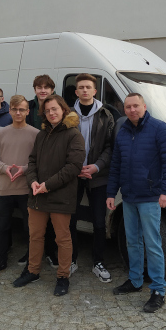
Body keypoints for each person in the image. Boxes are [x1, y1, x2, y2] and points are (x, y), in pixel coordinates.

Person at [106, 93, 166, 313]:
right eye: (128, 107)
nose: (132, 110)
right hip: (129, 197)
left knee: (153, 244)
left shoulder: (159, 128)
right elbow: (116, 165)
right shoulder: (123, 131)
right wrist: (111, 193)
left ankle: (158, 290)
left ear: (144, 106)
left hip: (150, 197)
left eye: (136, 106)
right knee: (132, 242)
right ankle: (135, 280)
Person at [15, 94, 85, 296]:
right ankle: (33, 271)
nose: (51, 113)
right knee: (35, 236)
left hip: (61, 196)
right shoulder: (41, 135)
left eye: (54, 109)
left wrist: (48, 185)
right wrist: (33, 181)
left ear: (63, 109)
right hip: (38, 194)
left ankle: (63, 277)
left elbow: (73, 167)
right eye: (47, 110)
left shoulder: (74, 135)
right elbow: (32, 161)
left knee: (62, 239)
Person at [0, 95, 39, 276]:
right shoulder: (1, 133)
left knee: (29, 228)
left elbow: (38, 161)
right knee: (3, 227)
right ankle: (1, 260)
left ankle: (31, 263)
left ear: (27, 111)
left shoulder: (35, 134)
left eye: (22, 109)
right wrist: (4, 168)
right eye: (15, 109)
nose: (18, 113)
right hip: (4, 187)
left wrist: (24, 169)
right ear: (9, 111)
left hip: (26, 188)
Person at [70, 74, 114, 283]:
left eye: (88, 87)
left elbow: (110, 147)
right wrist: (74, 167)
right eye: (81, 87)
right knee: (70, 219)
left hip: (98, 175)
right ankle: (71, 259)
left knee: (98, 222)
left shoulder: (106, 115)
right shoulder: (68, 115)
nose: (85, 90)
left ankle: (98, 262)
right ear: (76, 91)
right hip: (73, 175)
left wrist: (96, 166)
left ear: (95, 91)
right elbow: (63, 144)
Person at [25, 74, 59, 267]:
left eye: (46, 87)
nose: (43, 90)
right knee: (33, 215)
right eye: (39, 87)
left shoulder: (57, 106)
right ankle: (31, 252)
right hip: (31, 162)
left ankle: (51, 252)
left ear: (52, 89)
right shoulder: (28, 107)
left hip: (52, 165)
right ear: (35, 89)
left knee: (51, 214)